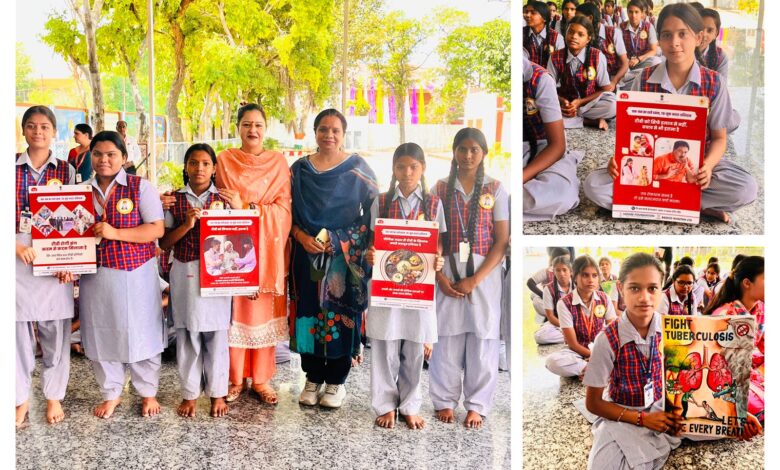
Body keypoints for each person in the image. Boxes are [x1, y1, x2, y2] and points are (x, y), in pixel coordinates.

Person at [583, 3, 757, 225]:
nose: (674, 42)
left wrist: (707, 166)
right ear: (659, 39)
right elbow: (630, 134)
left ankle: (659, 203)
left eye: (683, 34)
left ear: (698, 37)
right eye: (666, 35)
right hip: (650, 165)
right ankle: (691, 205)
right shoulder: (643, 79)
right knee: (593, 186)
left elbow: (720, 138)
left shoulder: (714, 83)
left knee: (746, 188)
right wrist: (617, 159)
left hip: (696, 165)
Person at [290, 109, 378, 409]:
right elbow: (286, 210)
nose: (329, 135)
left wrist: (342, 239)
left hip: (344, 259)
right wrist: (301, 236)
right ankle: (312, 377)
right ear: (315, 132)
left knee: (341, 314)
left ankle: (337, 381)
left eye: (335, 130)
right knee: (309, 312)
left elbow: (374, 213)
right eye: (323, 129)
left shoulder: (357, 169)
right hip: (307, 254)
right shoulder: (299, 170)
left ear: (343, 134)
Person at [78, 130, 165, 419]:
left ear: (124, 157)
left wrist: (115, 233)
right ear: (91, 156)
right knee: (101, 333)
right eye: (97, 154)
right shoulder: (80, 190)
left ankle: (148, 392)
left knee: (141, 331)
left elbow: (156, 229)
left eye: (111, 154)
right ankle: (111, 393)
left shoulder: (140, 187)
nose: (104, 160)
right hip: (95, 275)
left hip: (135, 273)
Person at [427, 128, 509, 429]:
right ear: (454, 151)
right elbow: (432, 237)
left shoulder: (496, 189)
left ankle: (477, 405)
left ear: (484, 153)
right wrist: (439, 276)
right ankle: (444, 400)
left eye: (474, 149)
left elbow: (501, 241)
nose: (468, 155)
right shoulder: (439, 188)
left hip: (485, 273)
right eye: (462, 148)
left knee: (483, 338)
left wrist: (475, 280)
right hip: (448, 270)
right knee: (446, 337)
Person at [364, 143, 446, 430]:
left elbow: (437, 244)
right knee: (385, 344)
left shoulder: (434, 204)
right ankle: (385, 405)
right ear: (393, 169)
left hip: (418, 287)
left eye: (413, 166)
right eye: (401, 167)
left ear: (423, 168)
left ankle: (410, 405)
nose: (407, 172)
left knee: (414, 345)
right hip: (387, 285)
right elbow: (373, 242)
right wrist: (371, 254)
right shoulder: (382, 201)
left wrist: (438, 260)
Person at [215, 103, 291, 405]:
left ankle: (261, 379)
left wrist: (247, 208)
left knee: (261, 315)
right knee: (236, 315)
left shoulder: (278, 163)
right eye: (246, 124)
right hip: (233, 250)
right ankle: (235, 379)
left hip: (268, 249)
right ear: (238, 128)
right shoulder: (224, 160)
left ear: (265, 129)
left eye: (258, 125)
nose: (253, 130)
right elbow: (213, 199)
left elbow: (284, 209)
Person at [584, 253, 683, 469]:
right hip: (622, 411)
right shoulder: (607, 339)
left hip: (661, 405)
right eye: (635, 288)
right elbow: (593, 403)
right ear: (621, 289)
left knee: (725, 427)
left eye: (653, 288)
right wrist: (642, 419)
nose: (645, 297)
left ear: (662, 290)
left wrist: (736, 416)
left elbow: (686, 378)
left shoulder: (672, 329)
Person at [159, 143, 231, 418]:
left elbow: (240, 236)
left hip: (219, 274)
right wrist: (186, 225)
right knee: (188, 332)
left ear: (214, 169)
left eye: (205, 163)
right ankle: (189, 394)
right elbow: (164, 243)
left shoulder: (225, 199)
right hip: (185, 270)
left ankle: (217, 393)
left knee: (217, 334)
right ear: (186, 167)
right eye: (193, 162)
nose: (199, 168)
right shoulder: (174, 200)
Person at [15, 106, 76, 427]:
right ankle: (20, 399)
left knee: (56, 331)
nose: (37, 131)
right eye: (31, 126)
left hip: (55, 254)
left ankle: (53, 397)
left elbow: (74, 219)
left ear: (54, 132)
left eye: (44, 126)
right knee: (15, 333)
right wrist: (14, 246)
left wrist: (69, 262)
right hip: (16, 256)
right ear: (23, 130)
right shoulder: (9, 166)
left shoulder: (66, 171)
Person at [705, 255, 764, 422]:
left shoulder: (761, 310)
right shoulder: (725, 316)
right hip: (728, 381)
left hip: (752, 374)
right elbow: (724, 369)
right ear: (747, 283)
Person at [523, 56, 581, 221]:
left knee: (563, 194)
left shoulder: (540, 79)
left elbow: (557, 146)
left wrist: (521, 177)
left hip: (541, 147)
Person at [545, 255, 616, 378]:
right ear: (575, 276)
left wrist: (605, 354)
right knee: (552, 362)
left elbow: (614, 331)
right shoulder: (564, 303)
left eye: (594, 275)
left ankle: (590, 370)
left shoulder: (604, 298)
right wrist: (594, 356)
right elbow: (572, 344)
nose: (591, 280)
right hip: (576, 351)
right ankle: (593, 369)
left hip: (602, 349)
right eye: (585, 275)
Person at [547, 15, 617, 130]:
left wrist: (580, 102)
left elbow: (606, 89)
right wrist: (563, 101)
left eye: (580, 34)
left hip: (589, 104)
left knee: (613, 105)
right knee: (538, 107)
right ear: (565, 33)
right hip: (564, 104)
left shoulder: (597, 56)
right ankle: (589, 121)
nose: (574, 36)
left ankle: (573, 116)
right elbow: (548, 88)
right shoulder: (555, 56)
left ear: (588, 39)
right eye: (571, 32)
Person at [577, 2, 629, 90]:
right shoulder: (581, 34)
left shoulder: (613, 33)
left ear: (590, 18)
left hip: (615, 77)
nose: (576, 22)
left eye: (579, 18)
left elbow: (625, 63)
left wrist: (614, 82)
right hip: (592, 78)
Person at [617, 0, 662, 89]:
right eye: (630, 12)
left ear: (642, 13)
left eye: (636, 12)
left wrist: (638, 59)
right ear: (627, 12)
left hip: (642, 61)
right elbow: (618, 50)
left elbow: (653, 50)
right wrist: (626, 61)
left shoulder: (648, 26)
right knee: (622, 69)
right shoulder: (620, 27)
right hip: (626, 62)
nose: (633, 15)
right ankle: (639, 77)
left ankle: (628, 79)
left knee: (657, 62)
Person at [534, 255, 572, 345]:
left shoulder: (577, 285)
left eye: (564, 270)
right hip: (558, 323)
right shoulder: (548, 289)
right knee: (540, 337)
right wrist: (566, 328)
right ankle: (573, 336)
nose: (561, 273)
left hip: (578, 322)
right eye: (558, 270)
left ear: (570, 271)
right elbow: (550, 316)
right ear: (554, 272)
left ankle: (572, 336)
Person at [523, 1, 565, 67]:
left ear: (544, 18)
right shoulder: (521, 34)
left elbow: (560, 65)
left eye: (533, 13)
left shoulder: (557, 38)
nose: (527, 15)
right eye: (526, 12)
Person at [698, 9, 728, 81]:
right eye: (700, 28)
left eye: (709, 30)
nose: (704, 34)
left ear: (716, 34)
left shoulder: (721, 57)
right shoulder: (682, 51)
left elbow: (721, 85)